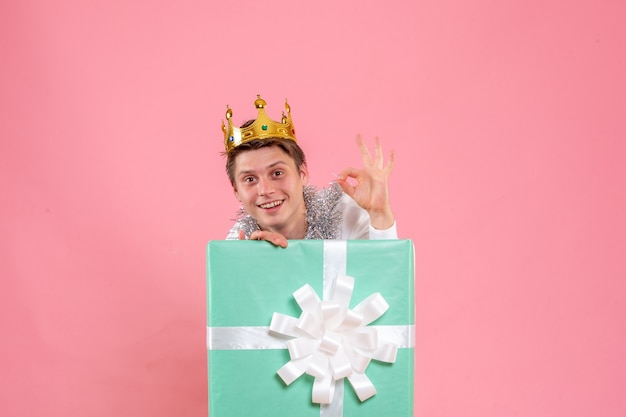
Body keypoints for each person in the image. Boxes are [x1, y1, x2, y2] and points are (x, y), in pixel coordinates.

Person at [222, 95, 397, 247]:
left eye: (277, 173)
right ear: (236, 190)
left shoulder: (347, 216)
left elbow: (386, 281)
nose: (265, 190)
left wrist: (380, 216)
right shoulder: (239, 243)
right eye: (250, 179)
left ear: (303, 173)